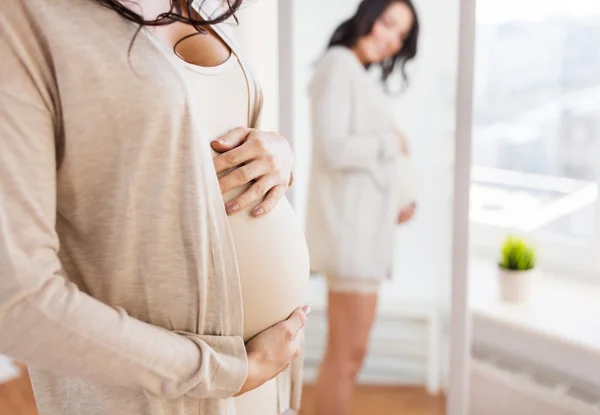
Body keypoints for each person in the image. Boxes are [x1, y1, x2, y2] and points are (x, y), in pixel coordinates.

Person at [0, 1, 310, 414]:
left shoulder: (203, 5)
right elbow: (18, 302)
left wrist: (279, 157)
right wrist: (222, 371)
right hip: (166, 391)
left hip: (265, 369)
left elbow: (202, 140)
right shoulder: (26, 17)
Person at [305, 1, 420, 414]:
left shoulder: (355, 72)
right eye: (389, 24)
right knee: (346, 355)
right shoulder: (338, 64)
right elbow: (334, 150)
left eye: (401, 35)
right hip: (351, 238)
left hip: (366, 234)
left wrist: (397, 201)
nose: (391, 39)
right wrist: (394, 142)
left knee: (352, 354)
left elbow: (360, 162)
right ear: (367, 16)